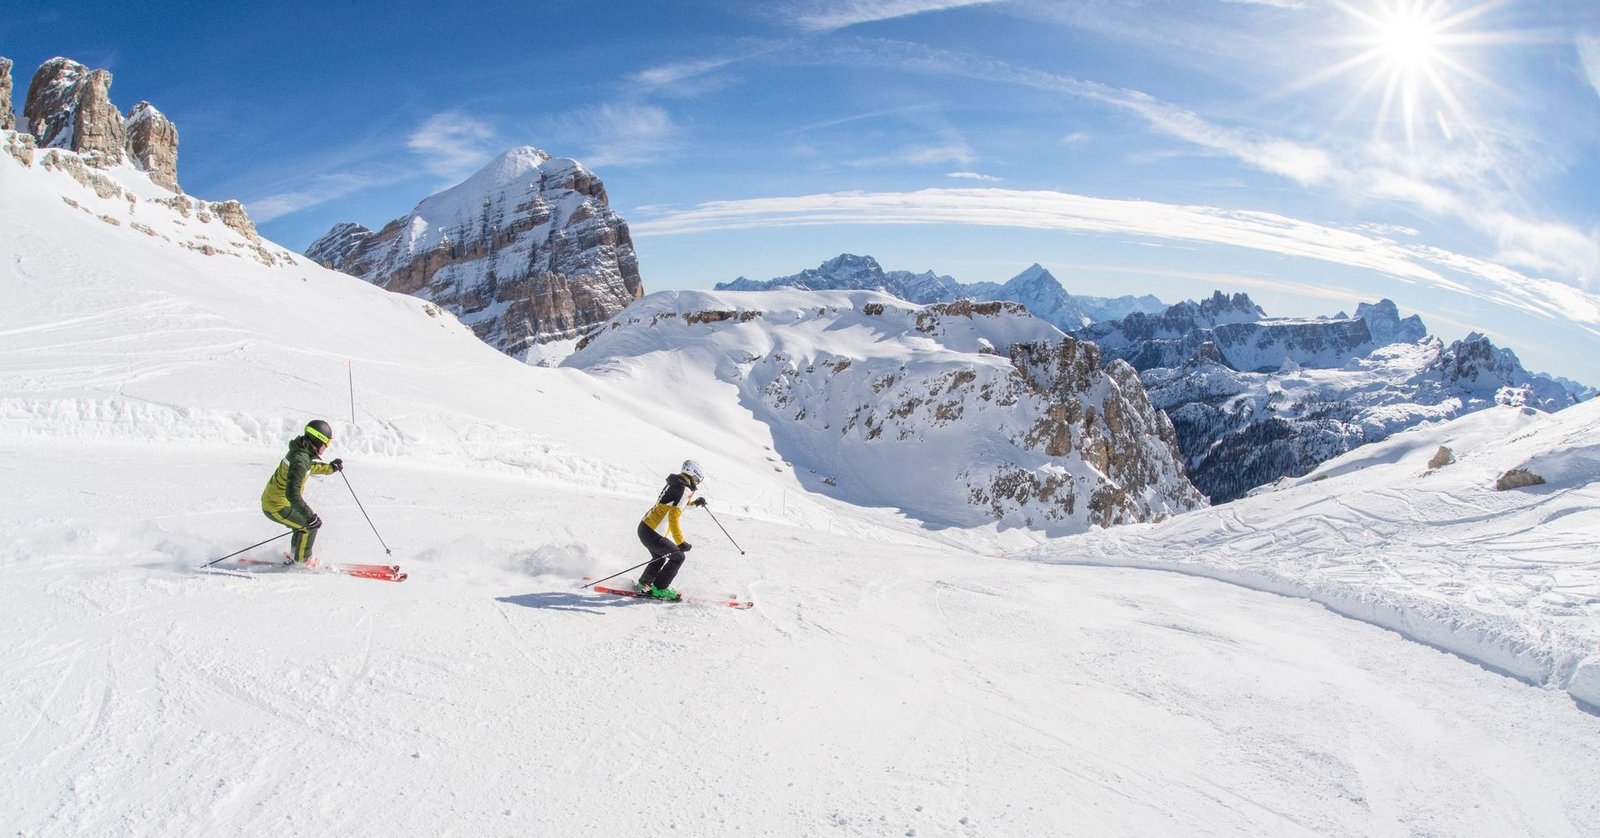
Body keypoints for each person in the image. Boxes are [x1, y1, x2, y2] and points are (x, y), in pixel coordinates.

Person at [261, 419, 343, 567]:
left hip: (278, 501)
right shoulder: (300, 460)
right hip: (276, 506)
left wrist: (331, 468)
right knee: (309, 526)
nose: (327, 447)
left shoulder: (302, 453)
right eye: (327, 443)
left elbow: (310, 467)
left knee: (303, 525)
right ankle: (302, 561)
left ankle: (296, 556)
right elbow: (292, 494)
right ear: (318, 440)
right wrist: (309, 516)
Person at [635, 459, 708, 600]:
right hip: (653, 532)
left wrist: (696, 503)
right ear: (694, 475)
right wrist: (681, 543)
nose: (697, 483)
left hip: (645, 528)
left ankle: (644, 583)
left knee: (659, 557)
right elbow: (673, 518)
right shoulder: (683, 489)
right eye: (698, 479)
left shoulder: (676, 484)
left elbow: (679, 504)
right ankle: (660, 589)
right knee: (678, 557)